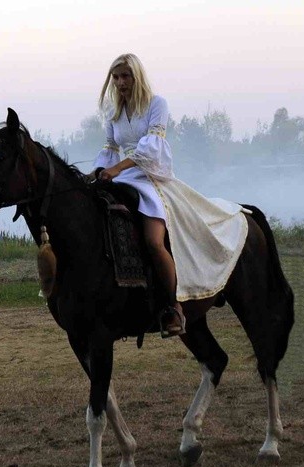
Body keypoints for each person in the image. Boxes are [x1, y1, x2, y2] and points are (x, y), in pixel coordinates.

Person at [90, 53, 248, 338]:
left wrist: (116, 169)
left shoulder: (156, 104)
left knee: (152, 240)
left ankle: (173, 305)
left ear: (136, 76)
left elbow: (152, 148)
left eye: (125, 76)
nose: (120, 82)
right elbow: (110, 149)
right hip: (124, 176)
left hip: (152, 177)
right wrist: (97, 172)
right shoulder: (113, 113)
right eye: (115, 77)